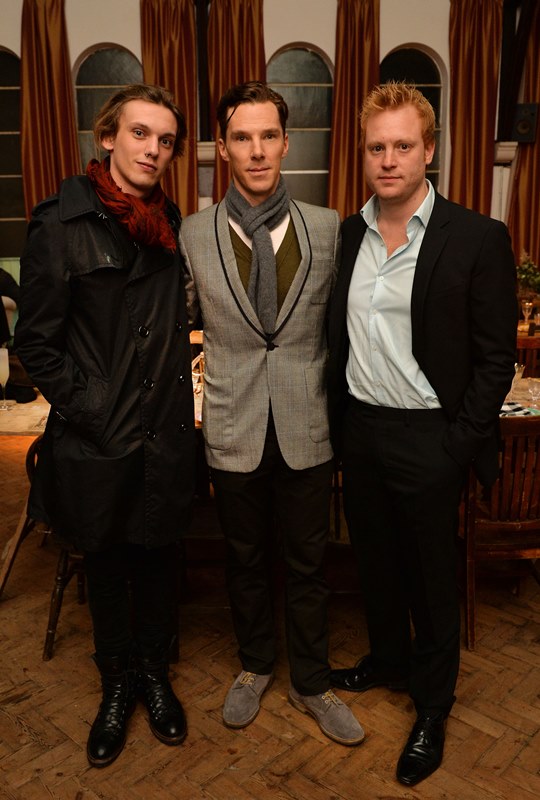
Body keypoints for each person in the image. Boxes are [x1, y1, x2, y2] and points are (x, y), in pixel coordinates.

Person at [327, 82, 517, 785]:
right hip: (362, 429)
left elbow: (495, 359)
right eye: (376, 147)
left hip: (430, 437)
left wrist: (456, 445)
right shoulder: (350, 235)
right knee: (375, 562)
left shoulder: (476, 237)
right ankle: (388, 660)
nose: (388, 160)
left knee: (432, 578)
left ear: (428, 151)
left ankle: (433, 707)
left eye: (402, 146)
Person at [15, 84, 196, 768]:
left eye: (166, 140)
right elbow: (35, 346)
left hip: (163, 432)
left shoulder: (168, 220)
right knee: (110, 564)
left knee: (159, 558)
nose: (153, 149)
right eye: (141, 134)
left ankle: (155, 676)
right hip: (100, 436)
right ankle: (116, 686)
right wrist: (91, 407)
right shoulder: (61, 224)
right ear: (109, 138)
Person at [180, 81, 364, 746]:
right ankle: (256, 664)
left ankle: (310, 680)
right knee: (246, 558)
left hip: (306, 425)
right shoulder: (193, 233)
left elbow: (346, 329)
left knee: (309, 564)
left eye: (268, 136)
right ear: (223, 147)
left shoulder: (328, 226)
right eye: (242, 137)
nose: (256, 151)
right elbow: (174, 325)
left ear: (287, 143)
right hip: (233, 426)